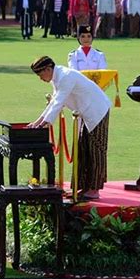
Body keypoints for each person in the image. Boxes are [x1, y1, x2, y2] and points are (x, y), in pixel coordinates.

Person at [29, 56, 111, 200]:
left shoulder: (66, 76)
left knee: (96, 150)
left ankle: (94, 189)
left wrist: (43, 124)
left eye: (40, 74)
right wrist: (37, 122)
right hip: (84, 113)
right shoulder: (57, 77)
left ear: (48, 69)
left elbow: (58, 102)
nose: (40, 78)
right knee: (82, 149)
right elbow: (54, 102)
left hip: (97, 111)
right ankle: (84, 187)